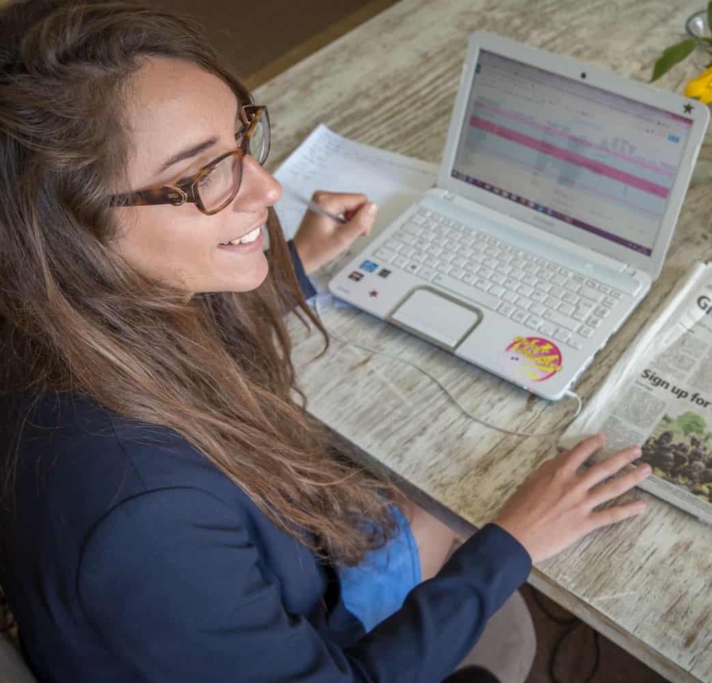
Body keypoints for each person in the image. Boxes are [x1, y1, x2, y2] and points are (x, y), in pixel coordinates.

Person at [0, 1, 653, 681]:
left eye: (241, 140)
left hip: (280, 565)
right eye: (204, 175)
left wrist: (287, 269)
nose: (268, 187)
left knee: (438, 501)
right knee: (467, 508)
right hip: (311, 619)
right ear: (67, 229)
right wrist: (512, 545)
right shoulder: (142, 522)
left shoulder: (53, 314)